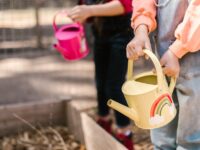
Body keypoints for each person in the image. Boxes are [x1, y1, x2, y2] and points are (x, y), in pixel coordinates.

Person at [126, 0, 200, 149]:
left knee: (191, 140)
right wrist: (141, 29)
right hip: (164, 61)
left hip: (194, 65)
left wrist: (176, 51)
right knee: (162, 133)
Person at [68, 0, 134, 149]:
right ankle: (103, 123)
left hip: (122, 32)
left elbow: (124, 5)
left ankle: (125, 133)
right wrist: (82, 15)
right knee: (100, 83)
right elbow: (87, 6)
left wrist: (90, 10)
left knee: (114, 87)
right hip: (101, 32)